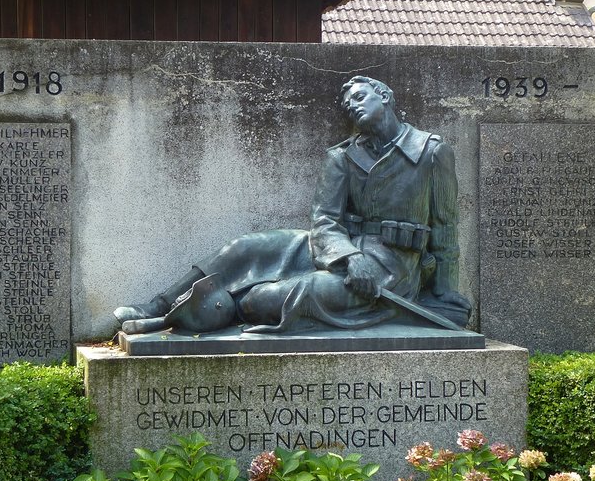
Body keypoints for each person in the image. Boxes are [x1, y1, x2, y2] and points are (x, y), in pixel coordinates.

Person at [115, 76, 469, 335]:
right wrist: (348, 257)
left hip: (392, 269)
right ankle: (161, 305)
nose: (353, 107)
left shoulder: (430, 152)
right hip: (338, 250)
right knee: (247, 247)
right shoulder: (343, 156)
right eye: (348, 105)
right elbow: (325, 218)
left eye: (361, 97)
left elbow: (445, 227)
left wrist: (445, 293)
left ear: (385, 95)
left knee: (266, 300)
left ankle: (183, 318)